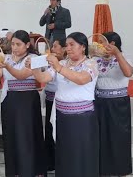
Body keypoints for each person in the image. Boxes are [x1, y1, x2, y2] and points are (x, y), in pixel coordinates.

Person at [28, 32, 99, 176]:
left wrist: (59, 68)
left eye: (72, 44)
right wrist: (33, 68)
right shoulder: (61, 63)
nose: (69, 48)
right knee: (64, 152)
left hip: (82, 118)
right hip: (62, 116)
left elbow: (81, 79)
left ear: (83, 47)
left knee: (81, 153)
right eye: (67, 45)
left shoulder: (91, 63)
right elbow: (44, 77)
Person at [0, 30, 46, 176]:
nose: (14, 47)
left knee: (26, 135)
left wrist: (6, 66)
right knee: (11, 135)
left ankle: (29, 170)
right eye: (12, 44)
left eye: (18, 44)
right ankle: (14, 171)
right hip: (10, 100)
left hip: (27, 100)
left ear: (27, 45)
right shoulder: (7, 57)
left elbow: (21, 76)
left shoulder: (34, 58)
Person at [94, 32, 133, 176]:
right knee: (101, 137)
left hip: (118, 104)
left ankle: (119, 170)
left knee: (118, 137)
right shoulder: (96, 59)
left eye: (102, 43)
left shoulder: (124, 58)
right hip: (99, 102)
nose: (99, 46)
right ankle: (102, 169)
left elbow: (128, 72)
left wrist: (117, 54)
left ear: (112, 44)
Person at [43, 38, 66, 171]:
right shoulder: (49, 61)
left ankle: (61, 162)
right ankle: (50, 162)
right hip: (50, 99)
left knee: (60, 132)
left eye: (56, 46)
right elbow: (42, 76)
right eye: (52, 46)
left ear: (64, 49)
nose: (52, 49)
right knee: (50, 130)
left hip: (63, 102)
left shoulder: (66, 64)